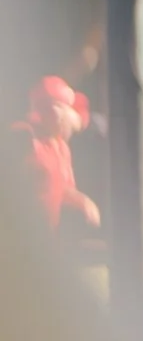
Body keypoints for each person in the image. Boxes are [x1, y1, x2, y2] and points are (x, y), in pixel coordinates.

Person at [15, 76, 98, 234]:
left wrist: (82, 201)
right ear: (55, 111)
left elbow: (63, 188)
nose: (75, 120)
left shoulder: (61, 147)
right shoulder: (25, 137)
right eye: (70, 111)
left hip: (45, 238)